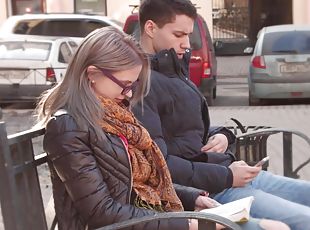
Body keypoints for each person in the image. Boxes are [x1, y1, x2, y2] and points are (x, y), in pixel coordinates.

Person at [35, 27, 286, 230]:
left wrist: (193, 197)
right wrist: (187, 224)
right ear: (92, 73)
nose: (129, 93)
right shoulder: (68, 127)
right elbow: (102, 212)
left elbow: (136, 184)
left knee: (273, 227)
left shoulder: (115, 116)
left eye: (132, 85)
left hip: (144, 219)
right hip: (124, 224)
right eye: (124, 85)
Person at [132, 0, 310, 229]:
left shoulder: (172, 70)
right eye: (178, 35)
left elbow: (191, 129)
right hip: (212, 191)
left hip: (232, 174)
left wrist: (224, 135)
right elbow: (159, 163)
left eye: (188, 34)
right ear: (150, 28)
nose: (186, 44)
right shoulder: (140, 83)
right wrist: (226, 176)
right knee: (304, 221)